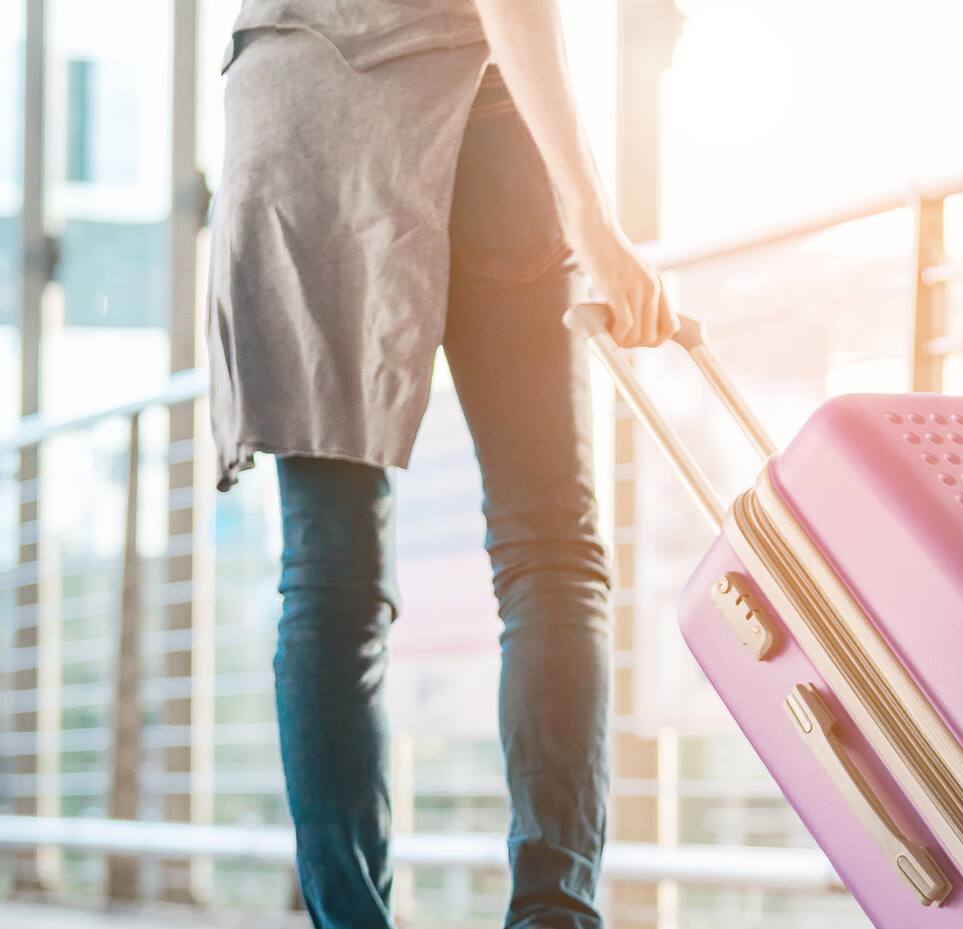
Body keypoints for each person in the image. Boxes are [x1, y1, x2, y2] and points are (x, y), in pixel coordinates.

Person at [205, 2, 676, 926]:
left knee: (329, 581)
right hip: (465, 109)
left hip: (290, 120)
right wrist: (590, 213)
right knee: (550, 551)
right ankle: (552, 912)